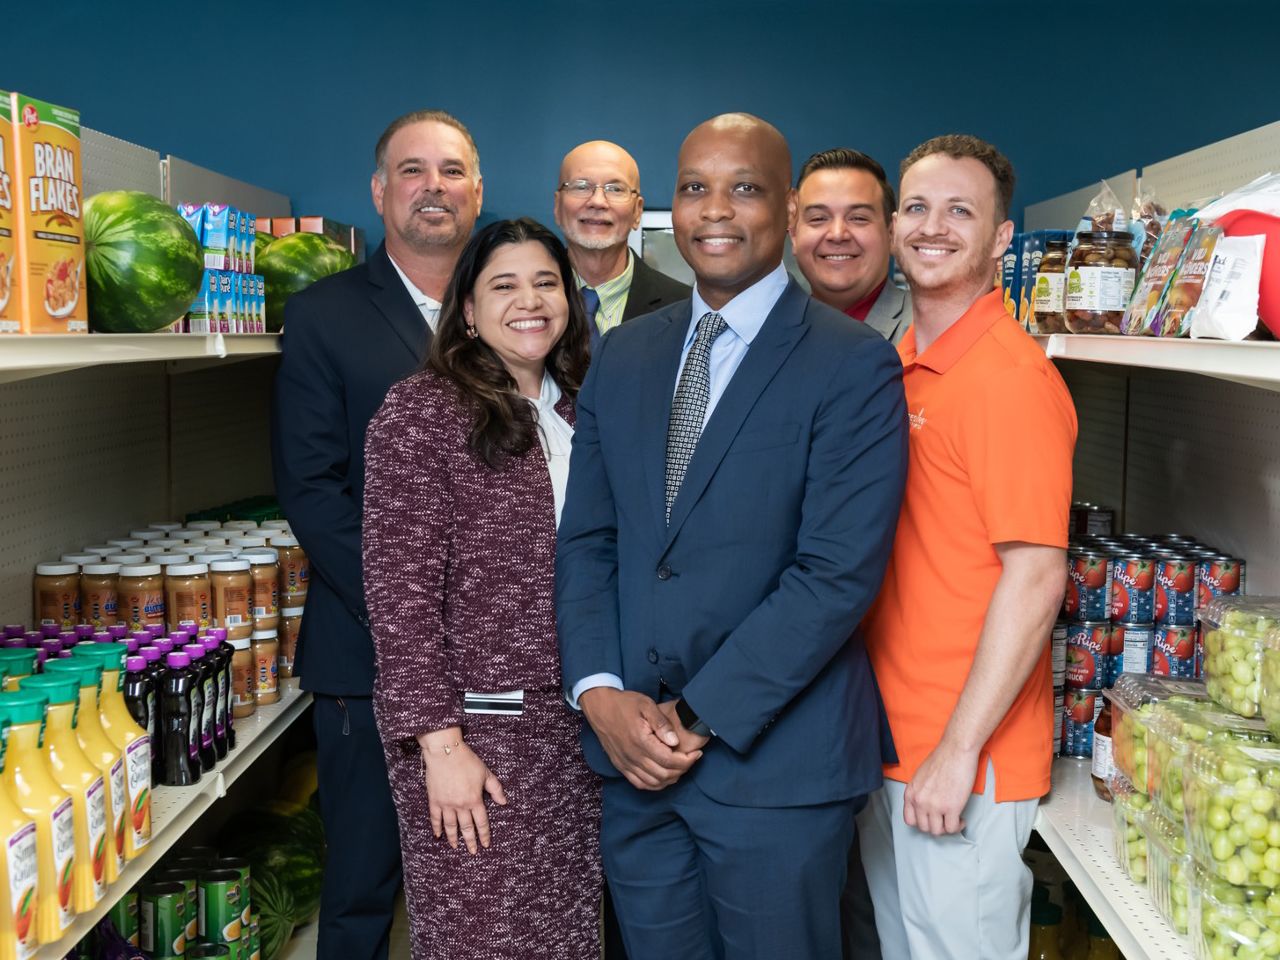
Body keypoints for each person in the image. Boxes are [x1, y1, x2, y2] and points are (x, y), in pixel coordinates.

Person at [556, 113, 908, 960]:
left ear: (787, 209)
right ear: (668, 210)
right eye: (694, 188)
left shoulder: (852, 363)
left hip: (775, 770)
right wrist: (599, 693)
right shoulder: (626, 354)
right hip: (633, 764)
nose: (715, 210)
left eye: (744, 188)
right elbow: (589, 542)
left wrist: (695, 716)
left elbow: (834, 576)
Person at [270, 109, 483, 960]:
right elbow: (312, 490)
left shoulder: (513, 303)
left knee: (484, 883)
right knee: (362, 888)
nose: (434, 187)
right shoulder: (323, 315)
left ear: (478, 189)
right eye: (413, 170)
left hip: (502, 660)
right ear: (379, 190)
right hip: (367, 656)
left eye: (453, 170)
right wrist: (416, 609)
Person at [859, 134, 1077, 960]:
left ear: (1001, 238)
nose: (933, 226)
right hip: (895, 743)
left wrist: (956, 755)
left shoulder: (1007, 379)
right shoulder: (904, 361)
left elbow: (1036, 578)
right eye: (916, 207)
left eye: (961, 210)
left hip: (963, 761)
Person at [363, 218, 599, 960]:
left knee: (568, 937)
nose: (529, 301)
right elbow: (397, 597)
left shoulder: (584, 405)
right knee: (482, 939)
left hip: (582, 735)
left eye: (545, 282)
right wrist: (439, 747)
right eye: (503, 285)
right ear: (466, 308)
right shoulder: (423, 412)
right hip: (480, 742)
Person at [553, 140, 690, 347]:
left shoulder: (684, 308)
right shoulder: (527, 302)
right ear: (558, 206)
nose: (597, 202)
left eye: (615, 189)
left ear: (637, 211)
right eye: (581, 186)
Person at [789, 148, 911, 344]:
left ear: (891, 233)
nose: (837, 235)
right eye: (819, 218)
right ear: (794, 235)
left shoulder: (928, 329)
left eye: (858, 218)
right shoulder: (768, 332)